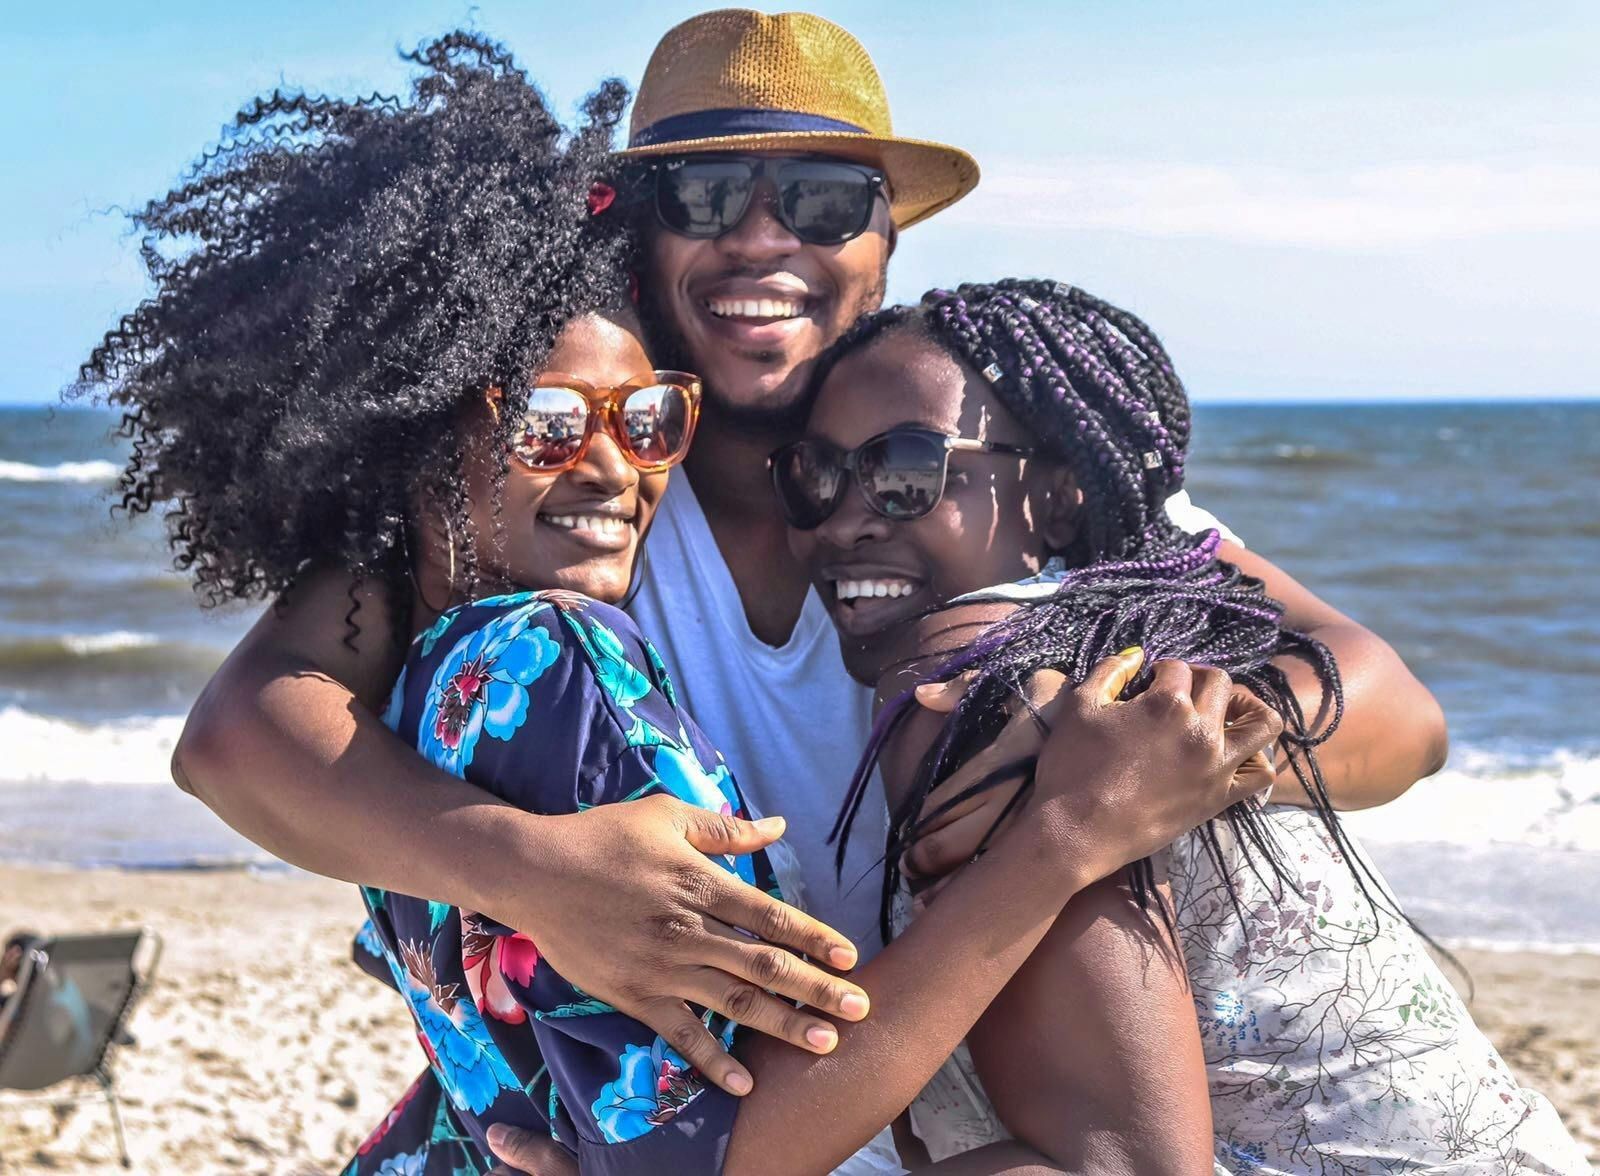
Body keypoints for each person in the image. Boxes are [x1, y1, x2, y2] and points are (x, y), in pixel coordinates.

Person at [164, 18, 1448, 1138]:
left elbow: (1391, 707)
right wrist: (529, 872)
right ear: (629, 229)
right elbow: (242, 736)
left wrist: (1133, 761)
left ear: (886, 243)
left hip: (1015, 1117)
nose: (762, 241)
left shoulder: (985, 467)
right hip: (781, 1119)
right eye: (709, 200)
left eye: (825, 200)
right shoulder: (575, 486)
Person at [778, 279, 1587, 1173]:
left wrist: (1193, 746)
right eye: (813, 477)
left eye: (905, 473)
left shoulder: (984, 696)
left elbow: (1123, 1166)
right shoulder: (1152, 621)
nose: (845, 519)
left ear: (1058, 496)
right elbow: (1399, 708)